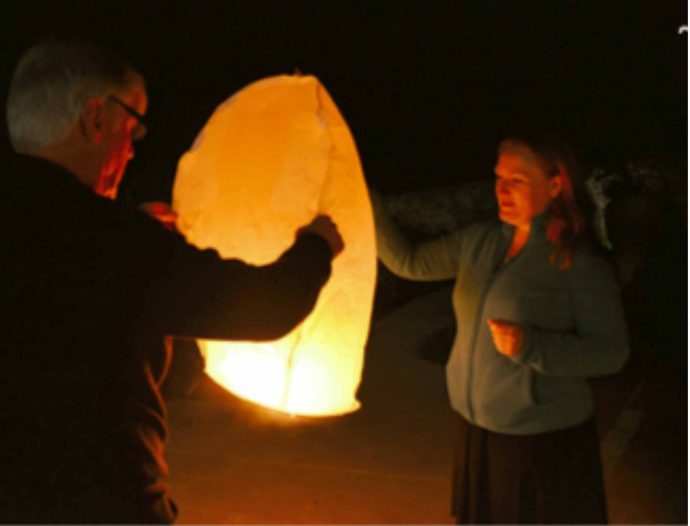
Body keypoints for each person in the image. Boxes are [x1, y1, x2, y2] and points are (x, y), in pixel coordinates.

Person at [0, 40, 343, 523]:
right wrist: (317, 246)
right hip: (100, 503)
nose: (132, 152)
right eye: (133, 129)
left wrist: (138, 234)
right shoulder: (113, 241)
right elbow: (265, 308)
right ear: (96, 119)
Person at [372, 135, 629, 524]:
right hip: (477, 434)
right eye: (498, 178)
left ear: (555, 184)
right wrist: (363, 204)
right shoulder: (479, 241)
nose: (501, 190)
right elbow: (410, 262)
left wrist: (532, 345)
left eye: (517, 180)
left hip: (542, 445)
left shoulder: (576, 261)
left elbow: (611, 352)